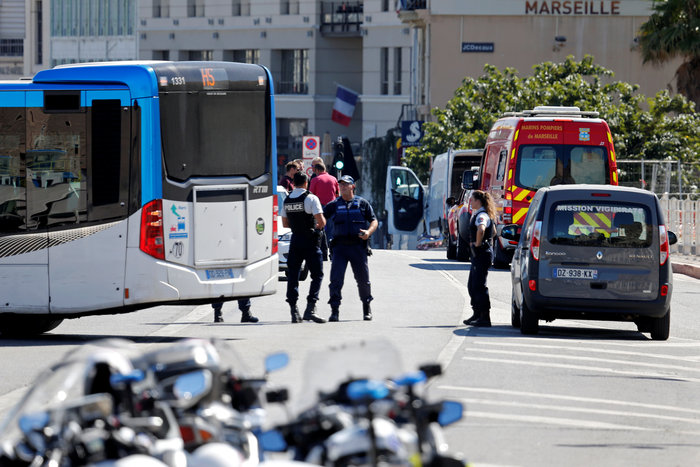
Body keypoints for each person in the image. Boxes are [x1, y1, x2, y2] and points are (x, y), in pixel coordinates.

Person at [323, 175, 378, 322]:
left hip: (358, 247)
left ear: (353, 186)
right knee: (335, 280)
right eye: (340, 185)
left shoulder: (362, 203)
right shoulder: (333, 205)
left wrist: (368, 232)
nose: (343, 187)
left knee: (363, 280)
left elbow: (374, 220)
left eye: (346, 185)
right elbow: (320, 218)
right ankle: (334, 310)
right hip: (340, 247)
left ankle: (367, 307)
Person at [281, 171, 327, 324]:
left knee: (293, 274)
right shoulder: (311, 198)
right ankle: (310, 308)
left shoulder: (287, 200)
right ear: (306, 183)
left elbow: (285, 224)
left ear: (293, 183)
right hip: (310, 240)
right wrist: (316, 228)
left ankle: (294, 310)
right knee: (317, 274)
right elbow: (321, 221)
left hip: (295, 240)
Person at [463, 190, 497, 327]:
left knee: (478, 285)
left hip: (481, 253)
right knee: (472, 285)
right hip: (481, 254)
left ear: (478, 201)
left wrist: (477, 244)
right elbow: (493, 232)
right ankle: (477, 313)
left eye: (472, 199)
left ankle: (484, 317)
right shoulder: (481, 214)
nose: (470, 202)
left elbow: (481, 230)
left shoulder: (481, 215)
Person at [309, 158, 339, 261]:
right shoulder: (334, 179)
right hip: (332, 207)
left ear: (317, 170)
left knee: (320, 229)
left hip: (319, 208)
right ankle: (333, 252)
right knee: (331, 230)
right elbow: (337, 194)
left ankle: (322, 252)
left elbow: (311, 195)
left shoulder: (315, 180)